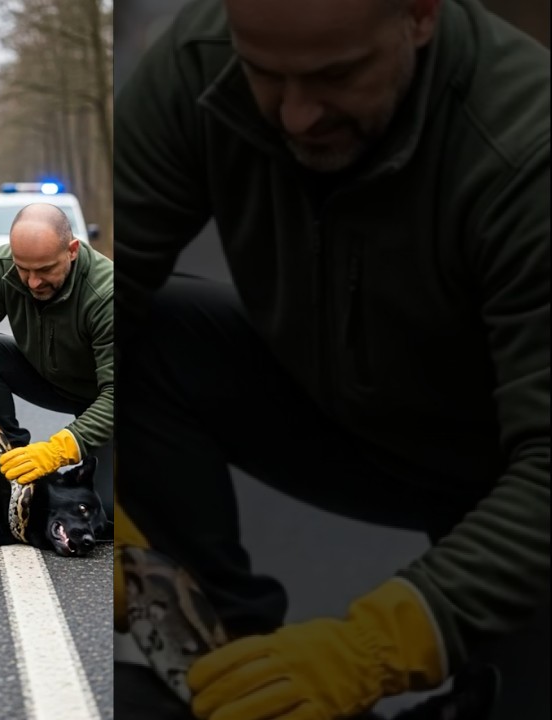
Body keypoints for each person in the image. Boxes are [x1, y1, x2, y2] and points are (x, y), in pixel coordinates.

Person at [114, 0, 548, 718]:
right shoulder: (201, 63)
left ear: (420, 15)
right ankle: (232, 667)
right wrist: (90, 489)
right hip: (344, 416)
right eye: (264, 73)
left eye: (336, 76)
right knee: (145, 337)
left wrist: (372, 648)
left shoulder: (527, 153)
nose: (296, 116)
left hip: (509, 462)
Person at [0, 203, 115, 520]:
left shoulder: (106, 294)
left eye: (45, 270)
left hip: (104, 396)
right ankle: (11, 463)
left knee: (106, 514)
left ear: (72, 251)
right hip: (51, 378)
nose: (33, 282)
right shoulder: (4, 266)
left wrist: (59, 450)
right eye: (24, 270)